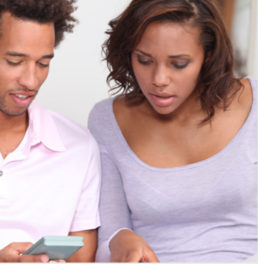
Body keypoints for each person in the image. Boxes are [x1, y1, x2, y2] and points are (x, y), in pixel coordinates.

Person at [88, 0, 257, 262]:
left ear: (208, 55)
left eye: (179, 64)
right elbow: (110, 232)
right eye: (144, 60)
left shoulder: (253, 106)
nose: (159, 79)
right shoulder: (107, 120)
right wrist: (119, 239)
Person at [0, 0, 101, 262]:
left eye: (43, 63)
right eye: (15, 61)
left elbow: (82, 257)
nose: (31, 81)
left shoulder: (78, 148)